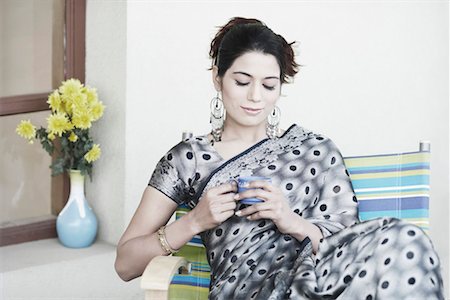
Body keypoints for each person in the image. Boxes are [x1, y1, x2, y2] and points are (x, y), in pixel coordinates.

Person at [115, 17, 443, 299]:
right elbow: (125, 264)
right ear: (218, 78)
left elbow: (352, 247)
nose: (256, 97)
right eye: (242, 82)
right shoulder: (189, 159)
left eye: (269, 85)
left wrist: (292, 221)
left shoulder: (316, 150)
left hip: (320, 284)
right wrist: (194, 222)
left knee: (405, 239)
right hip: (248, 292)